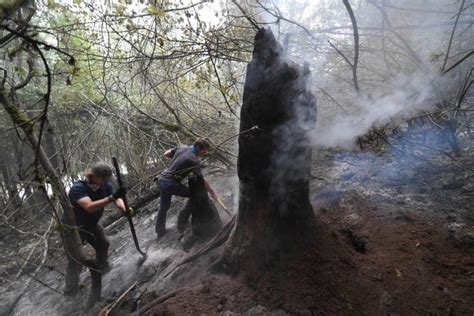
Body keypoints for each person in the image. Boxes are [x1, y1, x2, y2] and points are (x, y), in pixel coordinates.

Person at [64, 162, 127, 297]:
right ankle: (70, 293)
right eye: (103, 179)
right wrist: (112, 198)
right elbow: (89, 206)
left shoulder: (105, 185)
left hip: (91, 224)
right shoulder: (78, 188)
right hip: (74, 228)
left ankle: (102, 267)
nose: (105, 182)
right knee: (75, 260)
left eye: (106, 180)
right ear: (94, 176)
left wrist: (124, 208)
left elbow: (116, 197)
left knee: (103, 242)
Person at [155, 138, 217, 238]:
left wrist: (177, 161)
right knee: (195, 196)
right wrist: (212, 192)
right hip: (169, 183)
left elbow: (166, 153)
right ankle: (182, 221)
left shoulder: (182, 147)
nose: (203, 153)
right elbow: (201, 181)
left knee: (163, 207)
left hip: (161, 179)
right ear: (198, 147)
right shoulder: (193, 160)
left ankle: (160, 231)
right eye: (203, 151)